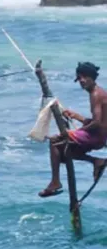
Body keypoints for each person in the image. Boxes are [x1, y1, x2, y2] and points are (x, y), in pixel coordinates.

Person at [40, 61, 107, 197]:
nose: (82, 81)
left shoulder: (96, 94)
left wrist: (73, 133)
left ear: (92, 77)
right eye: (79, 78)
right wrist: (77, 117)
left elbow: (97, 124)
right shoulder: (98, 92)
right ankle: (95, 161)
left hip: (96, 137)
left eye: (85, 77)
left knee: (55, 142)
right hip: (99, 136)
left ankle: (55, 182)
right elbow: (100, 122)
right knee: (63, 154)